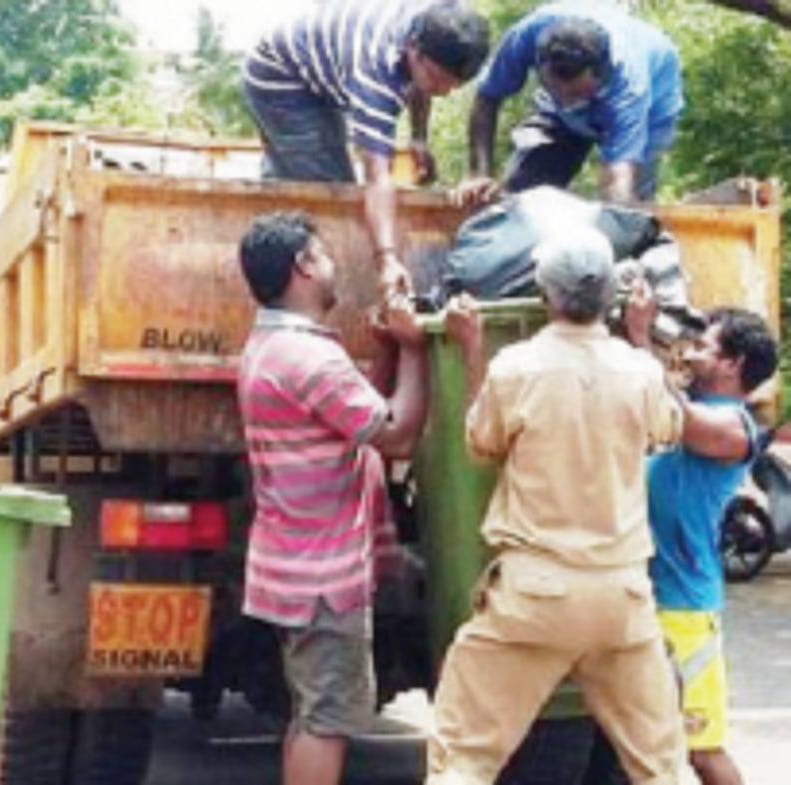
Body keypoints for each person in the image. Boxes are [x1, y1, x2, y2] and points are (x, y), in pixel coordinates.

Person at [426, 227, 686, 785]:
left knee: (465, 758)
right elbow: (667, 428)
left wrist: (471, 350)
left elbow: (481, 444)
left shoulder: (516, 367)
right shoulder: (639, 371)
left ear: (546, 295)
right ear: (611, 300)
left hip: (535, 597)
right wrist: (641, 338)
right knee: (662, 767)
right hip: (621, 598)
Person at [236, 211, 430, 785]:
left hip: (292, 568)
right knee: (327, 720)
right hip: (322, 577)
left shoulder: (275, 346)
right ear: (302, 266)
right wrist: (417, 350)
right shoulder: (309, 357)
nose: (332, 265)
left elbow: (349, 418)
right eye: (323, 255)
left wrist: (387, 355)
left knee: (311, 713)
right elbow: (393, 432)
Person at [625, 289, 778, 785]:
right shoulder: (690, 401)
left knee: (702, 750)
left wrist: (640, 336)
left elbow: (679, 418)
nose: (691, 351)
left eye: (705, 347)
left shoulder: (734, 427)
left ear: (733, 365)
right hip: (645, 596)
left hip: (685, 609)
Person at [243, 1, 490, 300]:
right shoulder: (375, 71)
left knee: (307, 172)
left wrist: (419, 138)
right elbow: (378, 178)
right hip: (280, 76)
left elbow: (420, 83)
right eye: (438, 80)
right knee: (331, 190)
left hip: (320, 66)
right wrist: (386, 259)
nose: (443, 92)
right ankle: (296, 288)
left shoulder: (439, 22)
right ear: (413, 48)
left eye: (453, 86)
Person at [457, 1, 682, 205]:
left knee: (630, 208)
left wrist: (618, 218)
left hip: (654, 106)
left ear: (600, 75)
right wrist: (480, 173)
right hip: (556, 111)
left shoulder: (629, 87)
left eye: (574, 92)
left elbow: (619, 176)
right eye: (555, 87)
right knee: (522, 192)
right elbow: (487, 98)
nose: (566, 99)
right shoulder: (526, 36)